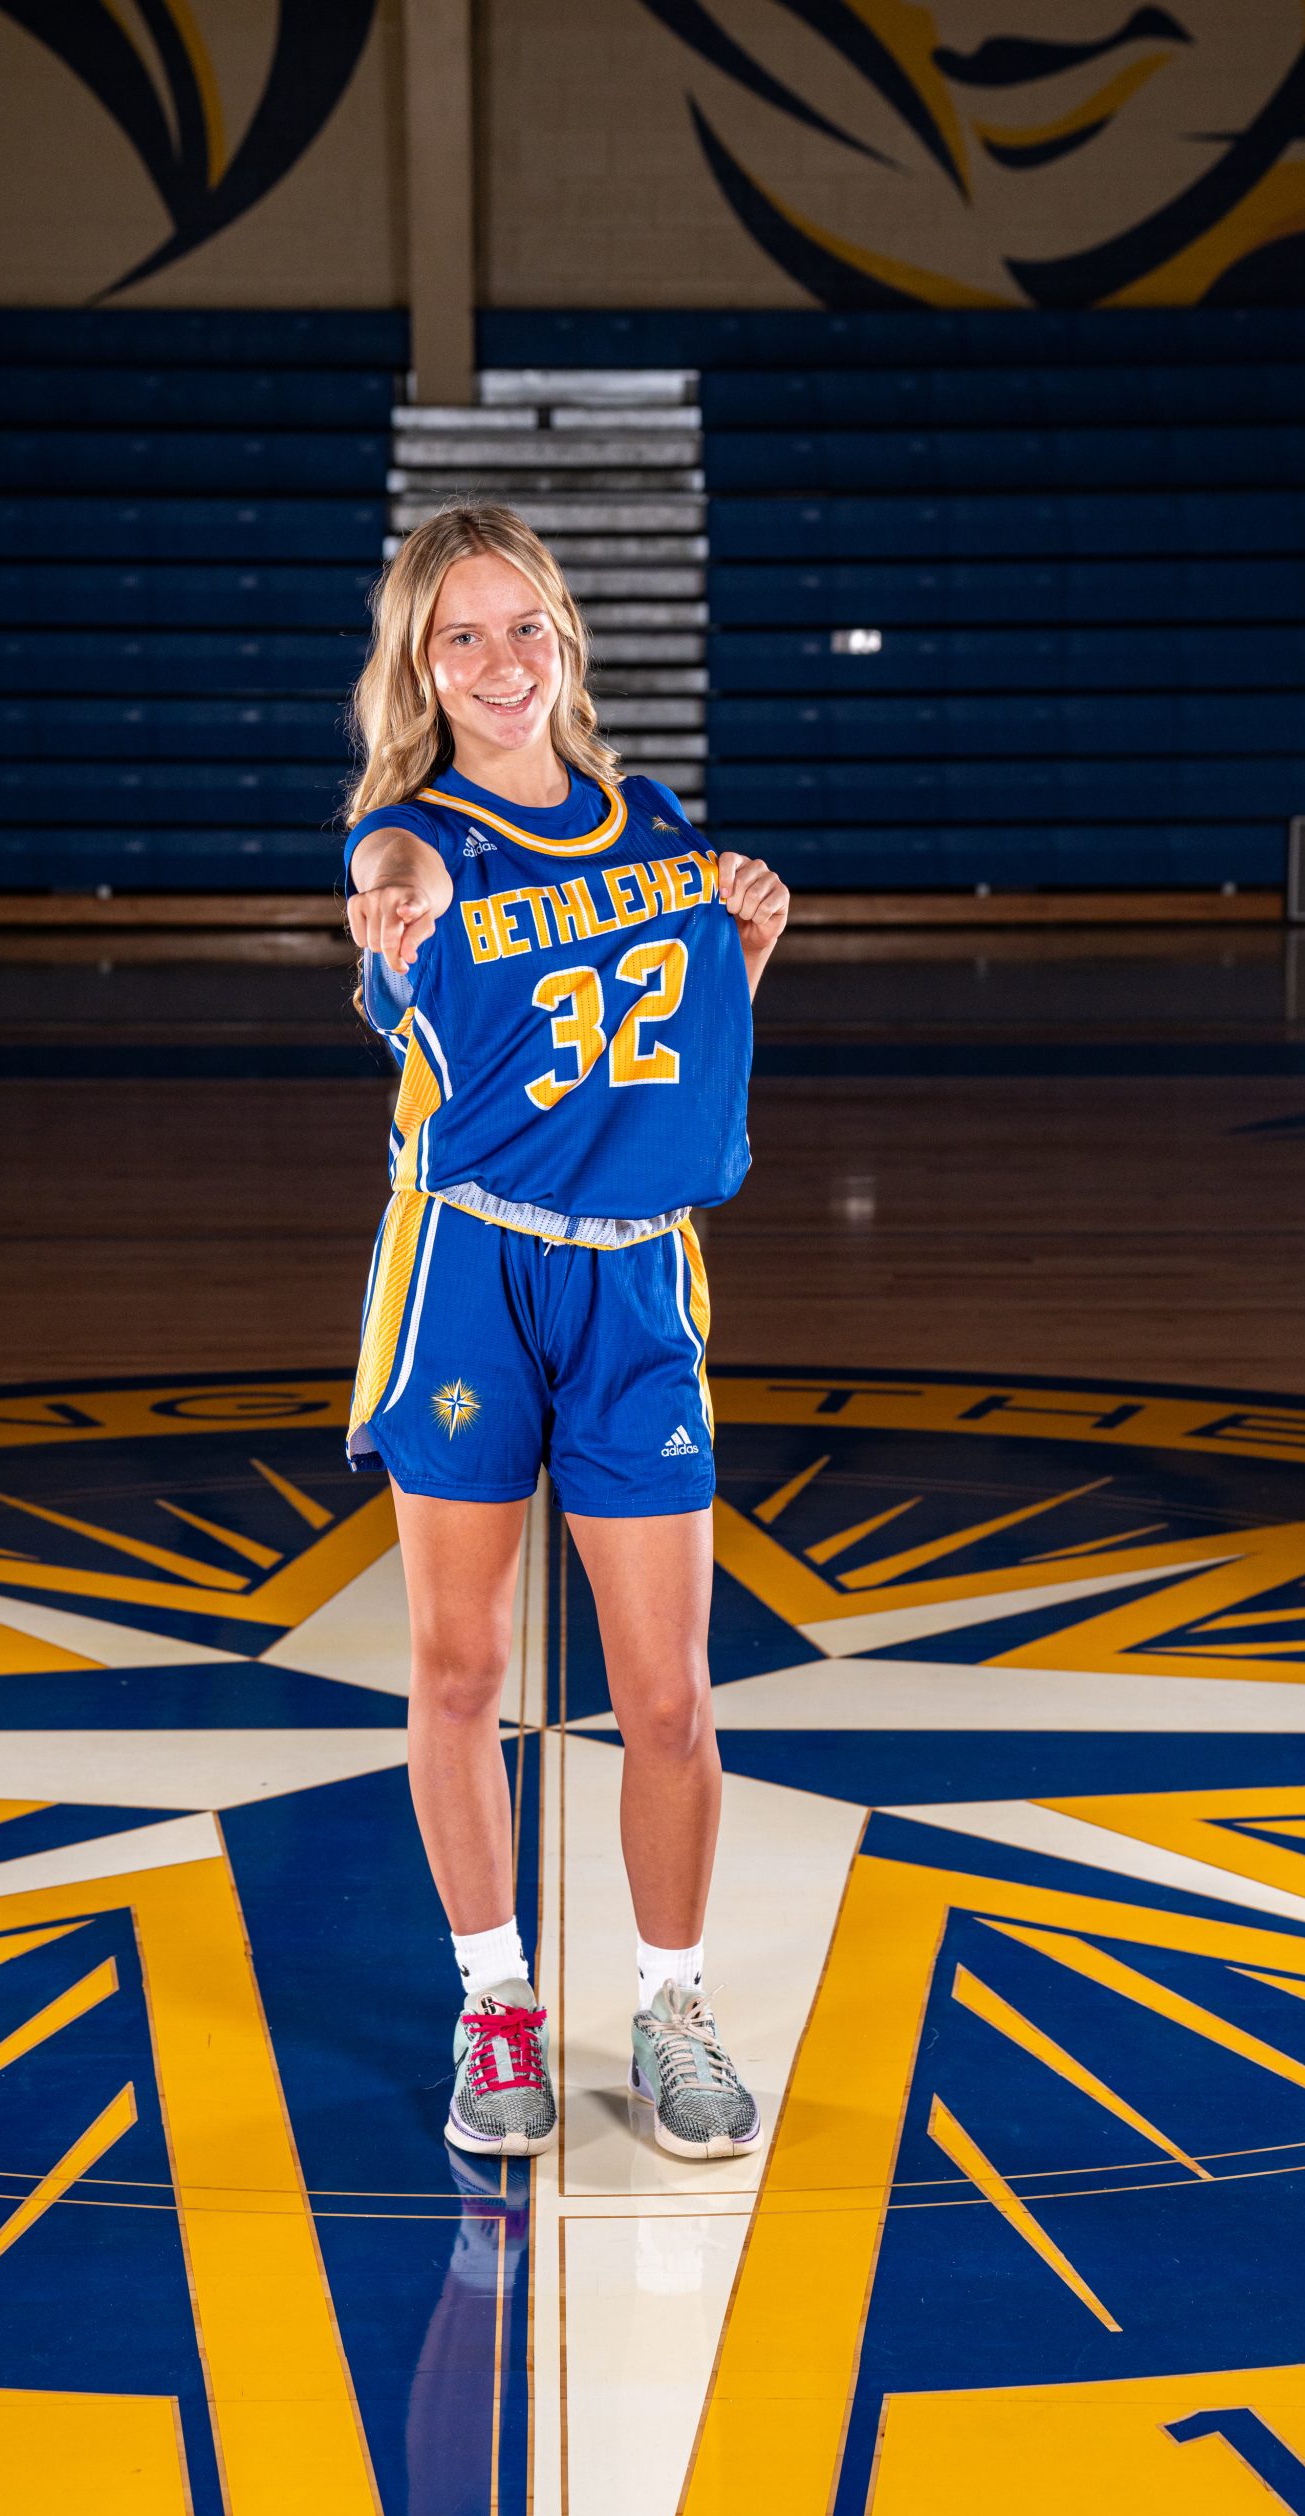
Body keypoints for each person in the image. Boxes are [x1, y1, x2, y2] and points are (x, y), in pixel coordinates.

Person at [342, 501, 789, 2160]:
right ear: (418, 665)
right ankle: (495, 2005)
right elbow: (387, 882)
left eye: (521, 624)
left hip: (635, 1282)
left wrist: (748, 944)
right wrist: (386, 907)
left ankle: (672, 2006)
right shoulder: (414, 840)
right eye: (458, 636)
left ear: (565, 637)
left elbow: (664, 1051)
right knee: (462, 1670)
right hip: (469, 1269)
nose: (498, 661)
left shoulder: (654, 826)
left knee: (665, 1695)